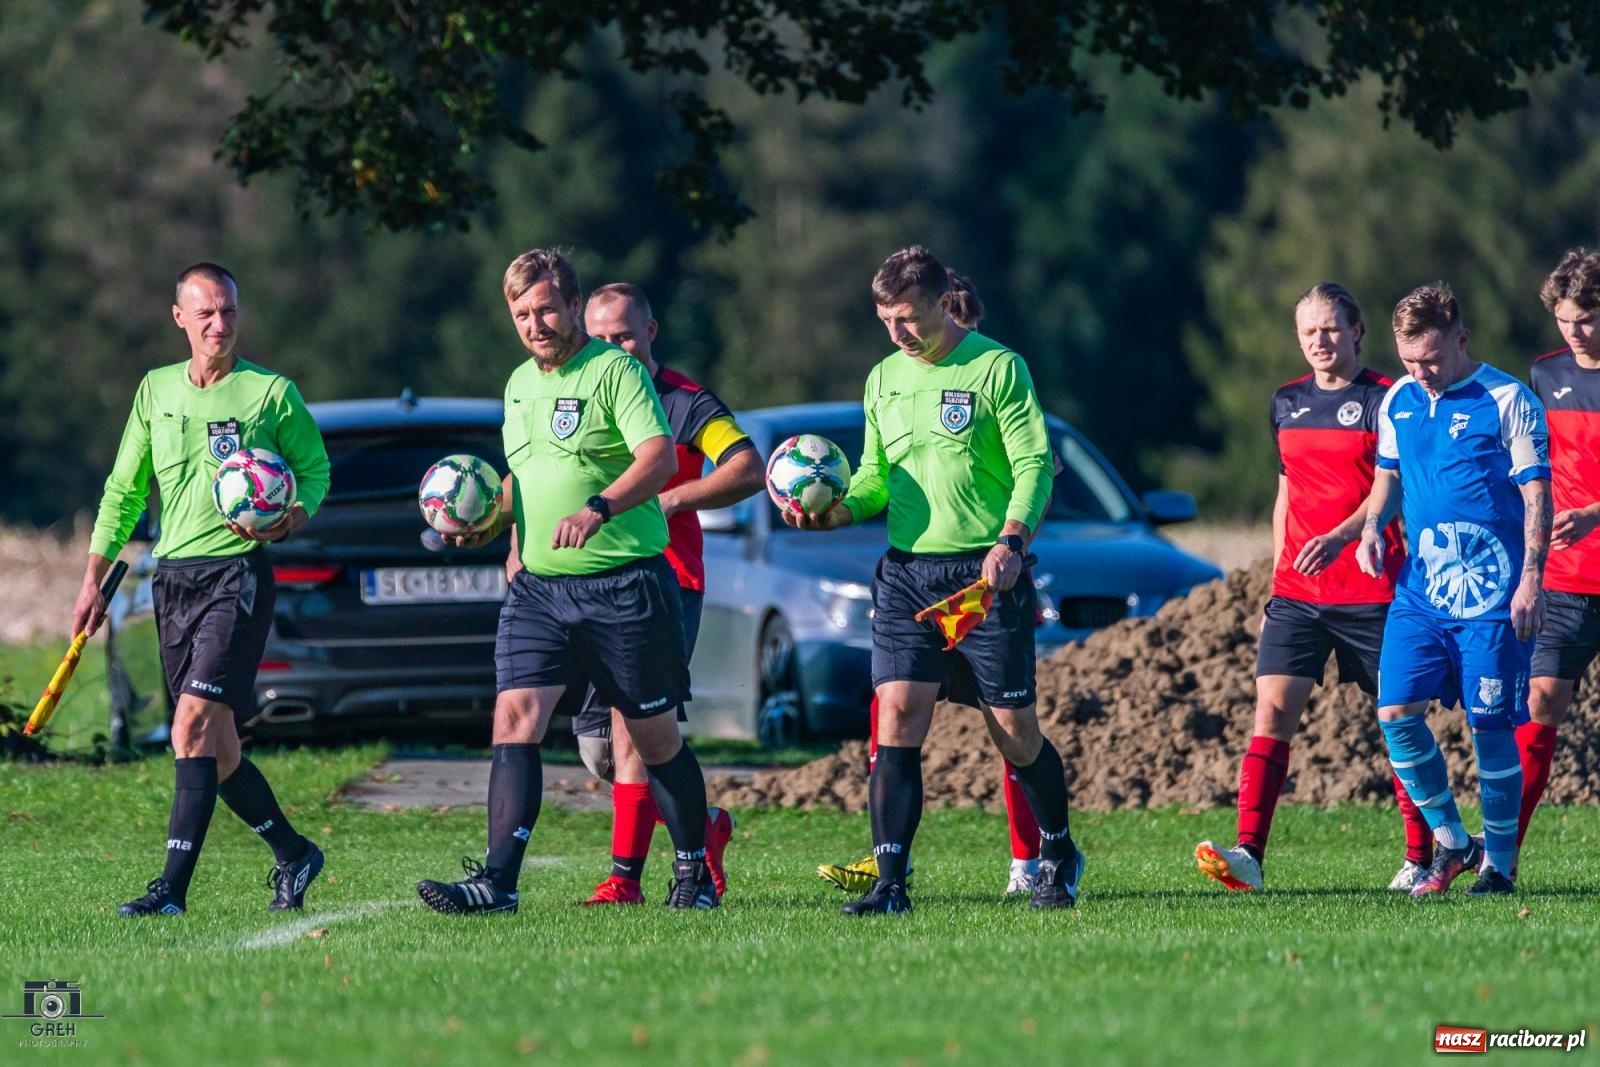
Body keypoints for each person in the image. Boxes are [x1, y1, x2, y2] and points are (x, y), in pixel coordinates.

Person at [416, 248, 720, 913]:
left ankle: (694, 873)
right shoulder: (519, 385)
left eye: (546, 308)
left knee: (653, 737)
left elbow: (659, 455)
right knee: (514, 715)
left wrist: (600, 507)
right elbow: (523, 477)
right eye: (522, 313)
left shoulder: (615, 371)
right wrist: (491, 526)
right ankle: (498, 881)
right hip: (541, 589)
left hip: (624, 583)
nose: (535, 323)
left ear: (573, 305)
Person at [789, 246, 1083, 914]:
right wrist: (836, 511)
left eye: (909, 318)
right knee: (895, 716)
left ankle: (1058, 852)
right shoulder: (883, 378)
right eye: (885, 319)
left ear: (943, 300)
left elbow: (1034, 462)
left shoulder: (997, 366)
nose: (896, 333)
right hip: (906, 575)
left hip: (984, 574)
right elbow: (872, 478)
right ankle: (890, 883)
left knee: (1013, 730)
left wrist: (1012, 539)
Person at [76, 262, 332, 917]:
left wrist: (291, 515)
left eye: (230, 312)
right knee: (217, 752)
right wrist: (92, 578)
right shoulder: (156, 389)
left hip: (238, 574)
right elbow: (125, 489)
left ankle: (170, 890)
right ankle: (295, 853)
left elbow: (315, 471)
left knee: (188, 727)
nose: (220, 325)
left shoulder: (270, 393)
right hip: (174, 578)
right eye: (207, 313)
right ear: (180, 318)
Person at [1195, 283, 1433, 892]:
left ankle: (1422, 856)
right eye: (1308, 332)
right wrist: (1280, 570)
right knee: (1271, 711)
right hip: (1299, 595)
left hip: (1374, 591)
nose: (1319, 342)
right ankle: (1247, 854)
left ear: (1357, 331)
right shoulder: (1285, 402)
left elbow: (1393, 491)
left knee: (1396, 720)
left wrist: (1341, 537)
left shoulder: (1389, 399)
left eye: (1330, 329)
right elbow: (1286, 494)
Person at [570, 282, 766, 905]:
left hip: (666, 582)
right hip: (588, 583)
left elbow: (746, 466)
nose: (612, 349)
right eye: (599, 338)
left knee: (634, 732)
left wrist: (674, 496)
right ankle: (703, 828)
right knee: (600, 752)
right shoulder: (576, 393)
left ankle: (624, 879)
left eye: (623, 335)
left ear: (650, 333)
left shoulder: (685, 403)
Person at [1360, 282, 1550, 898]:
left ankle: (1499, 865)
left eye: (1432, 359)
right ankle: (1451, 839)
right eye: (1410, 360)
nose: (1421, 372)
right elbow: (1387, 477)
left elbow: (1537, 495)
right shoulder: (1398, 403)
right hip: (1422, 592)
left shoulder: (1507, 399)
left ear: (1461, 340)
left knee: (1490, 727)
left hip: (1494, 596)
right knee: (1394, 713)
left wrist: (1531, 580)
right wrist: (1369, 531)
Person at [1517, 249, 1600, 861]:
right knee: (1540, 699)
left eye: (1588, 318)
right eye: (1566, 318)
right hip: (1566, 579)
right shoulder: (1543, 377)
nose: (1575, 331)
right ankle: (1502, 856)